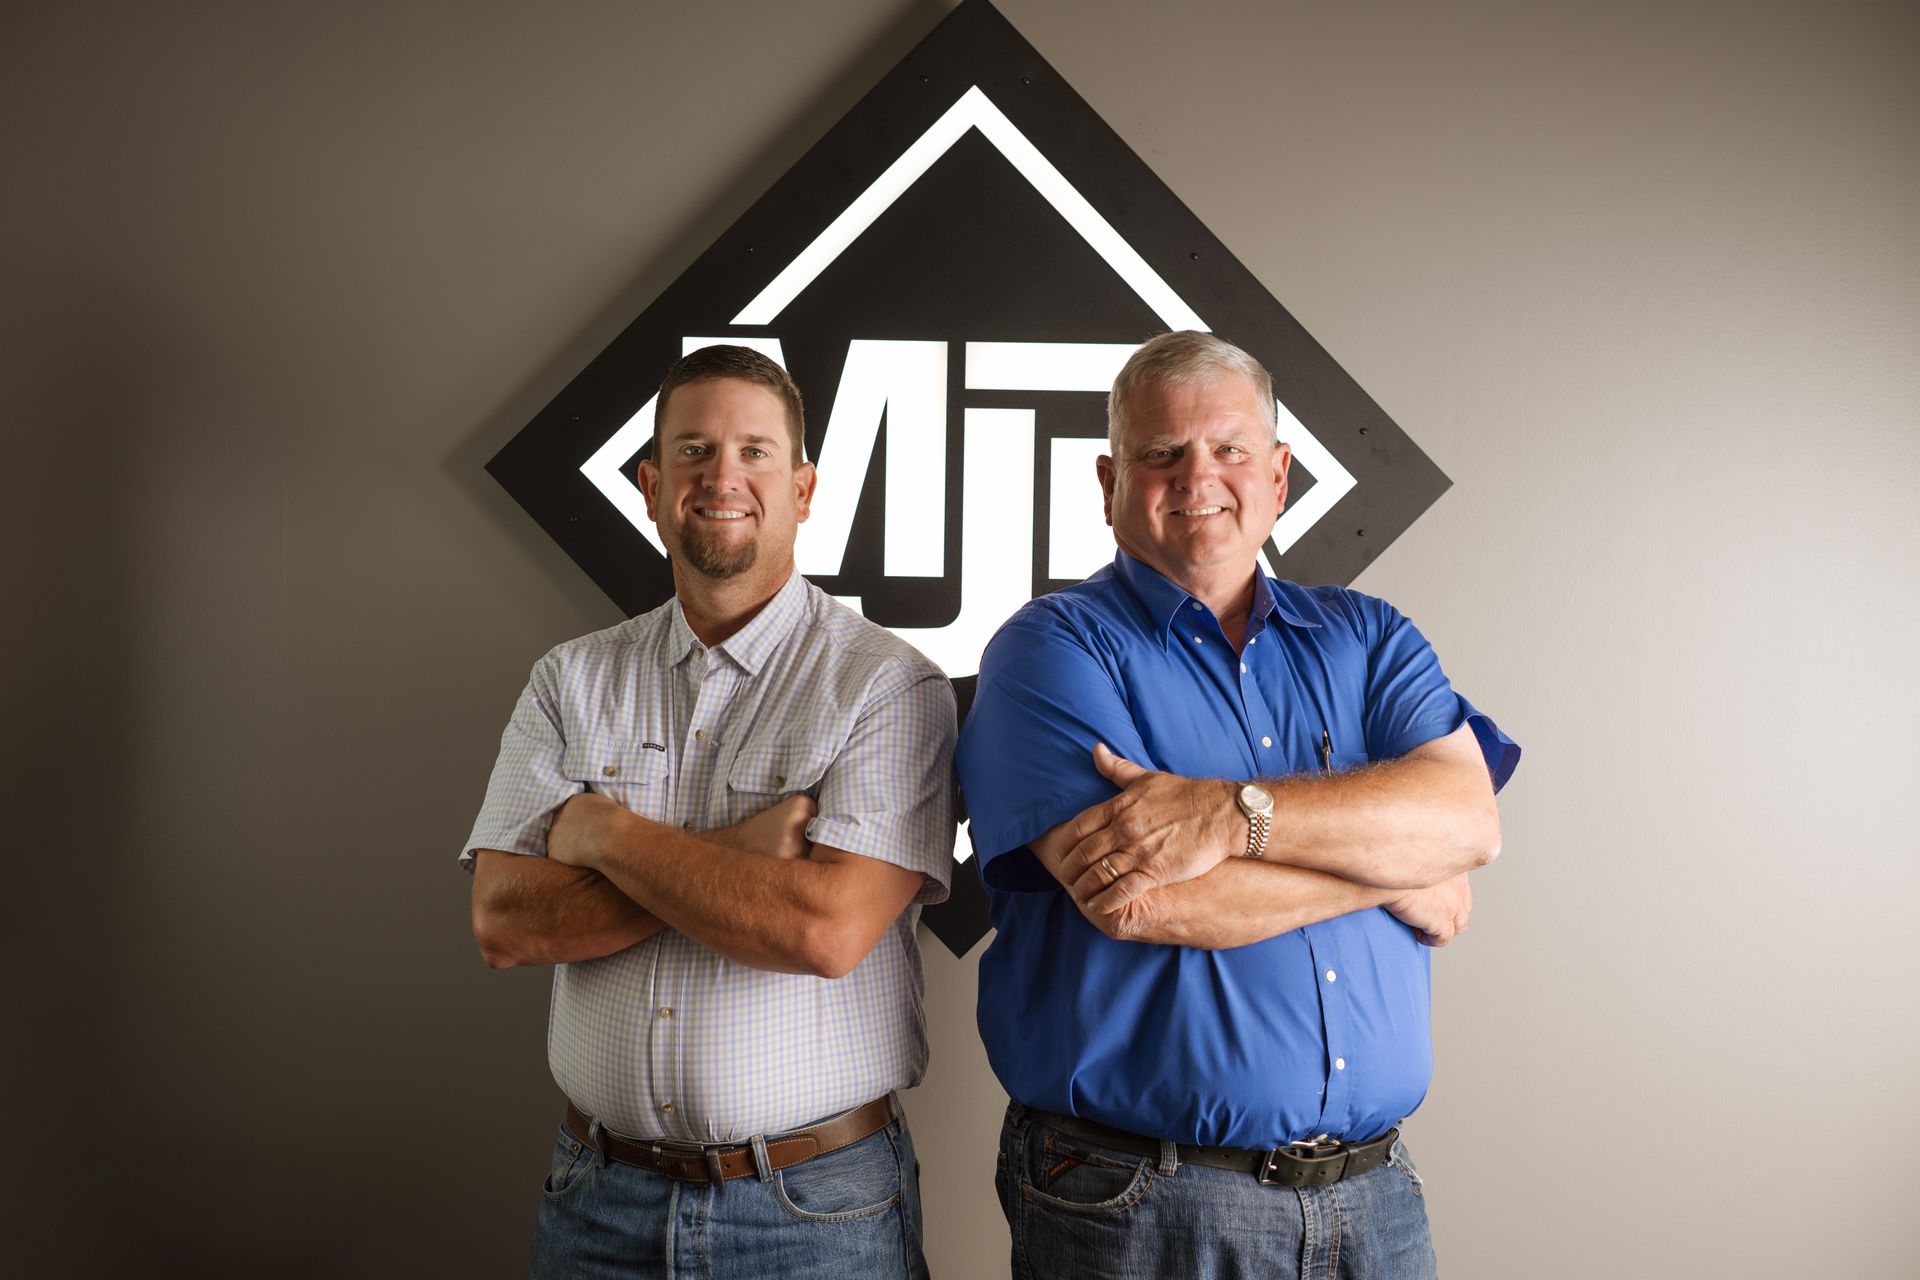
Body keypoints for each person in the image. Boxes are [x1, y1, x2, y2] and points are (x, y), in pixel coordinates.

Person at [956, 331, 1520, 1279]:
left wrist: (1229, 817)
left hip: (1375, 1198)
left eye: (1229, 449)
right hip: (1145, 1203)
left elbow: (1469, 824)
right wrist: (1392, 872)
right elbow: (1142, 900)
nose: (1197, 477)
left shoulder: (1369, 638)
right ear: (1109, 481)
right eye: (1161, 453)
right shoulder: (1051, 651)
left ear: (1279, 474)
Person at [461, 345, 955, 1279]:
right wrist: (736, 852)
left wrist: (603, 833)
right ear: (652, 488)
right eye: (692, 452)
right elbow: (505, 923)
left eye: (754, 452)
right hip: (596, 1202)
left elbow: (823, 931)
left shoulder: (887, 686)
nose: (722, 477)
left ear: (803, 490)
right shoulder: (571, 680)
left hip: (814, 1214)